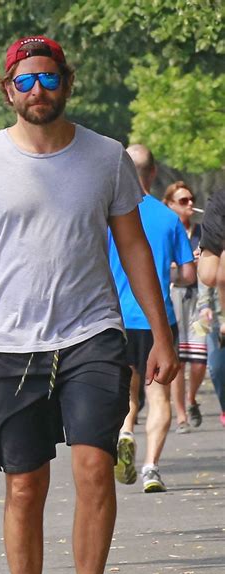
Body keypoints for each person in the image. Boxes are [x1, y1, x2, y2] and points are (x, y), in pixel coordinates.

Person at [0, 36, 179, 574]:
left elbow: (132, 248)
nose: (37, 91)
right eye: (25, 81)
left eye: (48, 79)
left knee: (95, 469)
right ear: (8, 89)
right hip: (11, 346)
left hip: (93, 334)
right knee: (24, 484)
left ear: (66, 82)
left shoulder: (106, 157)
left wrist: (162, 332)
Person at [109, 146, 194, 492]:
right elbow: (189, 274)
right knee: (158, 396)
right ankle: (151, 468)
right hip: (157, 319)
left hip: (115, 319)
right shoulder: (169, 218)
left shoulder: (108, 216)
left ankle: (126, 431)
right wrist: (167, 273)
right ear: (154, 174)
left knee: (128, 394)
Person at [164, 181, 206, 432]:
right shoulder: (167, 230)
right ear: (169, 205)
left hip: (201, 300)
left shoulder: (202, 231)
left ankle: (191, 399)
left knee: (200, 359)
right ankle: (180, 415)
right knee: (177, 359)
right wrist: (182, 265)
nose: (190, 204)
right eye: (183, 201)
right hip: (175, 298)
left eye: (191, 199)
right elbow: (161, 264)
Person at [197, 188, 225, 426]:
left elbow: (209, 275)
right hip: (212, 314)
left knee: (216, 366)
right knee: (215, 366)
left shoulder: (220, 200)